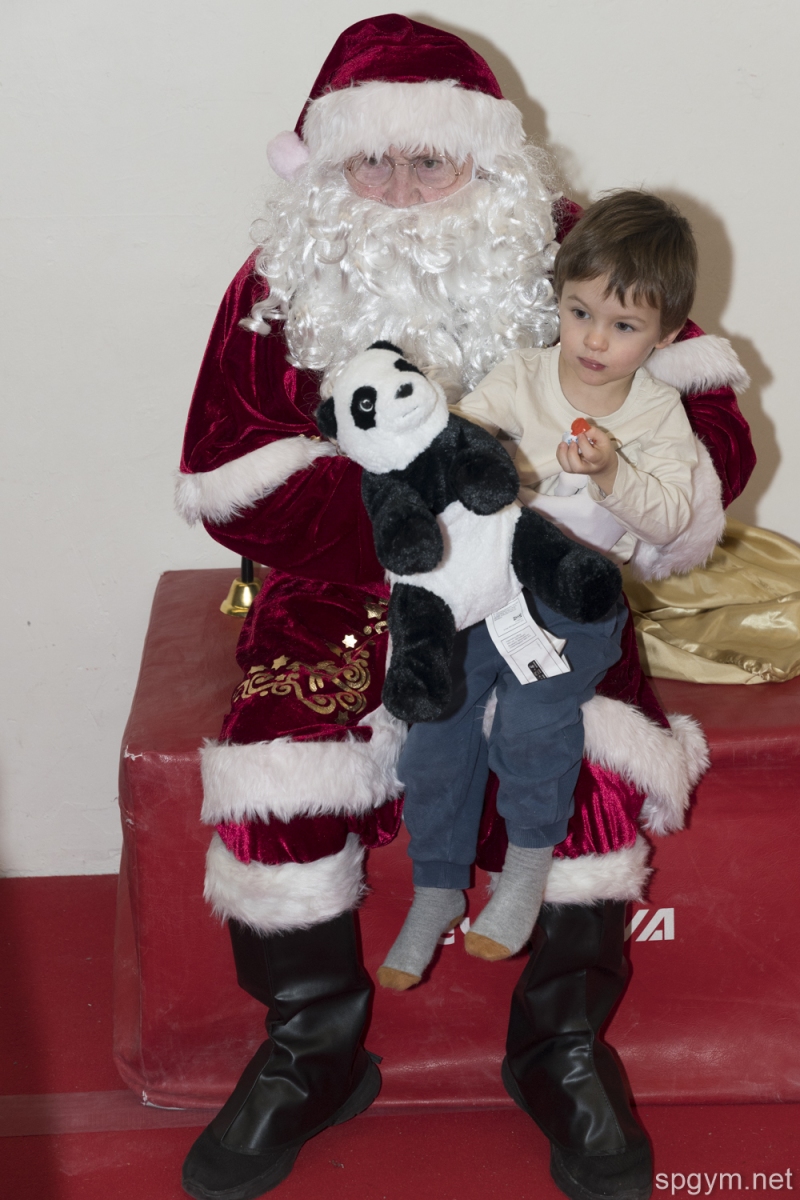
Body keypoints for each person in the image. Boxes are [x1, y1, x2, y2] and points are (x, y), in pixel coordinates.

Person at [175, 15, 755, 1200]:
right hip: (347, 584)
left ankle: (559, 1048)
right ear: (323, 166)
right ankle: (309, 1051)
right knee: (280, 761)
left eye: (428, 161)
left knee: (589, 767)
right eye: (368, 162)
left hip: (539, 575)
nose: (397, 190)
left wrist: (601, 490)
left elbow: (707, 424)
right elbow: (226, 471)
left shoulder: (568, 253)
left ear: (483, 159)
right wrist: (417, 533)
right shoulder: (276, 282)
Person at [379, 191, 700, 985]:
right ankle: (436, 886)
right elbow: (461, 447)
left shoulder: (658, 412)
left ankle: (524, 871)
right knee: (438, 724)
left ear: (664, 334)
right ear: (558, 295)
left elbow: (670, 519)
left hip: (575, 601)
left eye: (623, 326)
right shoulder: (521, 374)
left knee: (530, 718)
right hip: (491, 586)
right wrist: (497, 465)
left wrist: (613, 473)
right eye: (579, 311)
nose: (593, 339)